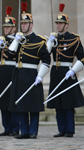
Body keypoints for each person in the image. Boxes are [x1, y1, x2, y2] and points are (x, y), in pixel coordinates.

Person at [8, 2, 51, 139]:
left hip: (31, 74)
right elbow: (10, 55)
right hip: (19, 75)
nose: (23, 26)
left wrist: (40, 75)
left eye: (26, 24)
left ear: (31, 25)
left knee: (33, 105)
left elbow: (46, 60)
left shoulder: (39, 41)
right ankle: (24, 131)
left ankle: (33, 131)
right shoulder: (19, 40)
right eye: (22, 24)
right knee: (21, 104)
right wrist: (16, 41)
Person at [46, 3, 84, 138]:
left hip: (68, 71)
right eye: (57, 23)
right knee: (58, 102)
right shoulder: (54, 38)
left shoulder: (74, 38)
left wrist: (73, 70)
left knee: (68, 103)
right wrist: (49, 43)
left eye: (61, 24)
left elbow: (82, 57)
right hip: (56, 71)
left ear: (66, 25)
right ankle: (61, 129)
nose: (58, 26)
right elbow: (45, 55)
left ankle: (69, 129)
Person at [0, 6, 19, 137]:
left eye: (8, 27)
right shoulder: (3, 39)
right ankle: (6, 127)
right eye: (5, 27)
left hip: (12, 70)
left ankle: (14, 127)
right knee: (2, 99)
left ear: (14, 28)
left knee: (11, 100)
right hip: (2, 70)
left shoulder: (18, 40)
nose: (6, 29)